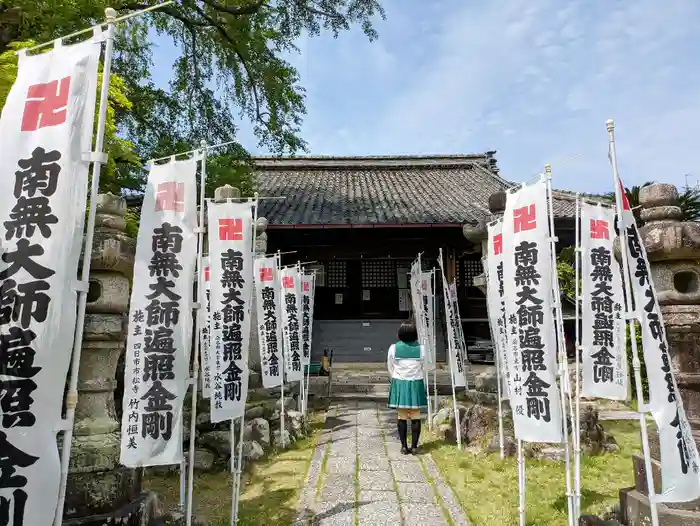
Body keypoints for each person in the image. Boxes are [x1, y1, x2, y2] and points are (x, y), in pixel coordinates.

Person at [387, 320, 427, 454]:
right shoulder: (421, 349)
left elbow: (390, 366)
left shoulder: (394, 348)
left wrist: (395, 377)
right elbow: (424, 366)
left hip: (400, 383)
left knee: (401, 416)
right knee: (416, 415)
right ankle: (414, 447)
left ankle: (404, 446)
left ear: (400, 334)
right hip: (416, 383)